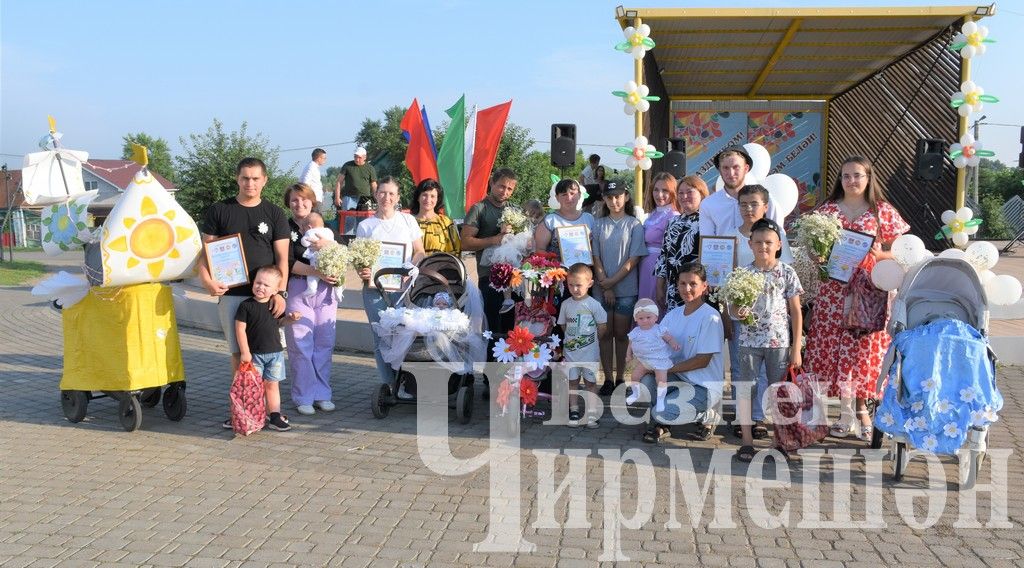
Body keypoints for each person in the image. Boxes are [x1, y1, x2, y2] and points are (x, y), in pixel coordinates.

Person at [805, 155, 909, 441]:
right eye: (846, 175)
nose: (851, 181)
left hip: (868, 291)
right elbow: (813, 248)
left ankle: (861, 411)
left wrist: (881, 254)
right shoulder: (826, 211)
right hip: (833, 290)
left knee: (861, 351)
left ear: (868, 178)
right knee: (831, 347)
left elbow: (904, 250)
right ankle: (837, 413)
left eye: (857, 175)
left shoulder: (881, 211)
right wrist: (817, 256)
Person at [199, 157, 291, 425]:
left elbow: (282, 259)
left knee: (267, 352)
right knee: (240, 355)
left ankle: (271, 411)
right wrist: (208, 283)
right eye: (245, 178)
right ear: (237, 179)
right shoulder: (220, 210)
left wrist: (280, 293)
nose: (250, 183)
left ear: (265, 180)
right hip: (232, 295)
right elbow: (204, 255)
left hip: (266, 297)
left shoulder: (274, 213)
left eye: (255, 178)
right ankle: (243, 412)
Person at [727, 219, 803, 462]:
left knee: (778, 392)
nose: (763, 247)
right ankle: (747, 442)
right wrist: (736, 312)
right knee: (746, 390)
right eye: (758, 242)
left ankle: (778, 442)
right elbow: (732, 306)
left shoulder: (787, 272)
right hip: (749, 341)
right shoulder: (742, 274)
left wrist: (796, 348)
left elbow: (796, 311)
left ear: (778, 244)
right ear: (750, 245)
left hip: (778, 343)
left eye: (768, 242)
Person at [638, 263, 725, 443]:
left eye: (693, 284)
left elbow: (702, 361)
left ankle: (708, 415)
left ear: (704, 286)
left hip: (703, 387)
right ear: (677, 286)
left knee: (659, 411)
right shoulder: (673, 315)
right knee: (646, 381)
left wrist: (665, 370)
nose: (687, 289)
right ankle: (663, 424)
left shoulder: (711, 317)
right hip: (679, 380)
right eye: (682, 283)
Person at [356, 177, 427, 393]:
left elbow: (420, 251)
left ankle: (405, 382)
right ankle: (389, 384)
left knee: (403, 335)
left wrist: (409, 269)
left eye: (391, 194)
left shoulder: (408, 221)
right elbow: (360, 260)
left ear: (398, 197)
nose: (386, 197)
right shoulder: (365, 225)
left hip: (403, 289)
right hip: (375, 291)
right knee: (380, 337)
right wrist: (363, 271)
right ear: (376, 195)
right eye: (383, 193)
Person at [282, 183, 339, 416]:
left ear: (312, 201)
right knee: (300, 343)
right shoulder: (283, 227)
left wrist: (331, 250)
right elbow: (286, 261)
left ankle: (322, 393)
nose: (300, 204)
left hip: (326, 290)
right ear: (288, 203)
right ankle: (303, 395)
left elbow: (340, 252)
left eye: (304, 199)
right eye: (294, 200)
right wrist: (316, 272)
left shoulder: (325, 225)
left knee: (324, 343)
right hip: (297, 287)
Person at [592, 183, 647, 396]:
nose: (614, 201)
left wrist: (611, 282)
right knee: (605, 335)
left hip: (626, 289)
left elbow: (633, 259)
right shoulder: (598, 225)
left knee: (622, 335)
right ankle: (606, 378)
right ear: (604, 200)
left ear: (626, 197)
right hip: (601, 288)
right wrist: (604, 283)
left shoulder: (635, 225)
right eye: (609, 197)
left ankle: (621, 378)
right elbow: (595, 257)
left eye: (618, 196)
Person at [234, 265, 301, 431]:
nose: (260, 287)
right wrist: (245, 352)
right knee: (254, 387)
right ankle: (251, 415)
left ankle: (275, 415)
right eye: (258, 282)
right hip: (255, 354)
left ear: (275, 290)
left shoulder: (274, 305)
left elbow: (279, 323)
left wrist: (290, 319)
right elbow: (240, 329)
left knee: (272, 385)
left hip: (275, 354)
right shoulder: (246, 306)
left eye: (266, 285)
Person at [461, 168, 518, 335]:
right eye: (501, 186)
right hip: (490, 277)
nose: (505, 192)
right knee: (492, 329)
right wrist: (495, 239)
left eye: (509, 189)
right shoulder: (479, 209)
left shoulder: (514, 210)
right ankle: (490, 361)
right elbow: (465, 243)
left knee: (512, 330)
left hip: (515, 278)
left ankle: (510, 362)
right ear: (492, 183)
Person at [557, 263, 608, 428]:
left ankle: (592, 413)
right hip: (571, 353)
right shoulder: (566, 305)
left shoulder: (594, 305)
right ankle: (574, 410)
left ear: (590, 284)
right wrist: (571, 340)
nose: (574, 289)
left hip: (589, 354)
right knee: (572, 382)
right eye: (570, 285)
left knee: (590, 383)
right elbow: (563, 325)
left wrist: (592, 341)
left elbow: (602, 326)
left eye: (579, 285)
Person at [699, 146, 785, 238]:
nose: (731, 173)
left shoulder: (766, 200)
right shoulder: (708, 204)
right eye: (725, 168)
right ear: (720, 170)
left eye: (736, 167)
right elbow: (707, 244)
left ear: (746, 168)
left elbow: (778, 239)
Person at [654, 175, 708, 313]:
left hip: (696, 289)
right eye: (681, 193)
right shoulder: (673, 222)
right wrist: (659, 286)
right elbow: (664, 255)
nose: (684, 197)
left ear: (701, 194)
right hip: (674, 287)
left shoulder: (709, 221)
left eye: (689, 192)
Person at [625, 299, 680, 412]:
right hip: (644, 361)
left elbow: (669, 338)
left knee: (661, 381)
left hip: (659, 361)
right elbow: (630, 344)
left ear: (656, 317)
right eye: (641, 318)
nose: (645, 321)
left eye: (648, 317)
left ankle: (660, 401)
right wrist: (628, 355)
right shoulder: (636, 331)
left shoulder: (659, 329)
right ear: (636, 319)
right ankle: (635, 393)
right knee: (634, 376)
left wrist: (674, 344)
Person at [639, 172, 680, 302]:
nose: (659, 194)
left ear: (673, 192)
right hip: (645, 265)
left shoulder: (674, 216)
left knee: (654, 306)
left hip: (658, 268)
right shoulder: (653, 214)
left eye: (665, 190)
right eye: (656, 190)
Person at [533, 178, 595, 259]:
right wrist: (554, 260)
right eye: (564, 194)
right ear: (557, 197)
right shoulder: (550, 220)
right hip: (558, 269)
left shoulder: (589, 218)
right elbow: (540, 249)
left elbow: (596, 247)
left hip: (586, 268)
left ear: (579, 195)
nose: (569, 198)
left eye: (572, 193)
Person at [334, 146, 378, 234]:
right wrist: (337, 197)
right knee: (348, 222)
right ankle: (346, 242)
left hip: (365, 199)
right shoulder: (347, 165)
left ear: (365, 157)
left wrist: (377, 199)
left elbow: (374, 185)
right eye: (355, 157)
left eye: (359, 157)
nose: (357, 159)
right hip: (349, 198)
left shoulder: (370, 168)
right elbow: (339, 182)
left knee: (363, 222)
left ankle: (360, 242)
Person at [298, 212, 341, 300]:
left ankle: (311, 289)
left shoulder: (310, 232)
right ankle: (338, 290)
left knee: (312, 277)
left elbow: (304, 242)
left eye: (303, 228)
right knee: (337, 274)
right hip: (331, 260)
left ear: (309, 227)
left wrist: (302, 235)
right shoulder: (329, 230)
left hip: (317, 261)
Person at [411, 178, 460, 254]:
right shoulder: (408, 222)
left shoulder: (446, 223)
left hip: (439, 265)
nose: (428, 199)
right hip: (411, 265)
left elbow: (456, 251)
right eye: (424, 195)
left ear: (438, 199)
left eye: (432, 196)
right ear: (418, 197)